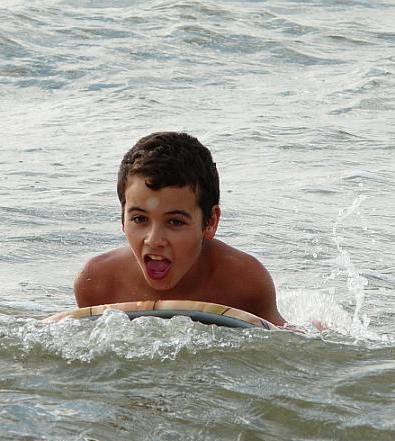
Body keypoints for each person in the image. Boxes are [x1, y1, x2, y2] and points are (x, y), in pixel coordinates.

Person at [74, 131, 286, 326]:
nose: (154, 240)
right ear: (123, 219)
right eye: (139, 219)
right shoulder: (98, 284)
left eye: (175, 222)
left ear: (210, 222)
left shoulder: (243, 283)